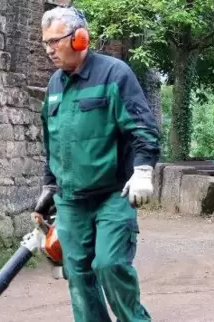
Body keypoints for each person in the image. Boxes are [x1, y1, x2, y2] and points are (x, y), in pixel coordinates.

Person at [34, 4, 161, 322]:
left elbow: (143, 128)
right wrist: (50, 186)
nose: (49, 50)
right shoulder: (54, 86)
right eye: (45, 43)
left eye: (55, 41)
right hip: (72, 202)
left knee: (109, 264)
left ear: (80, 39)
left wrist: (143, 169)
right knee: (78, 277)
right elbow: (52, 140)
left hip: (113, 195)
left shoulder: (114, 74)